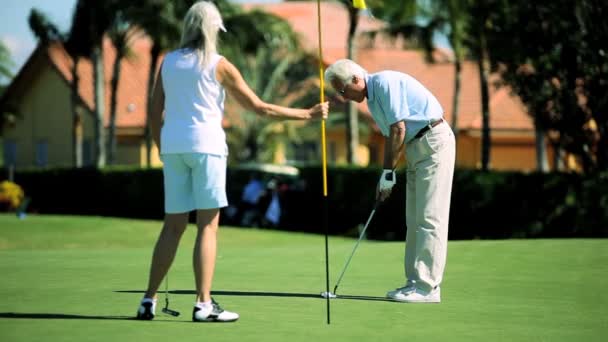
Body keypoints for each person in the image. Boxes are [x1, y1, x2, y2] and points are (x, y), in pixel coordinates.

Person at [136, 1, 329, 323]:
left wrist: (161, 147)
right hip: (207, 148)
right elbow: (259, 107)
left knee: (173, 227)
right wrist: (307, 114)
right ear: (213, 30)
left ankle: (148, 300)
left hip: (174, 150)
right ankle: (203, 304)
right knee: (208, 225)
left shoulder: (167, 63)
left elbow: (155, 112)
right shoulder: (218, 64)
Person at [324, 59, 455, 303]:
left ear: (356, 79)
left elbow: (398, 129)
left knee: (429, 218)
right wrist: (385, 176)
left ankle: (428, 288)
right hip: (417, 149)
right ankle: (413, 283)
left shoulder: (384, 83)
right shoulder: (373, 100)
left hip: (434, 142)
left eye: (342, 90)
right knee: (414, 219)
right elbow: (390, 139)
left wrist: (388, 174)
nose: (342, 97)